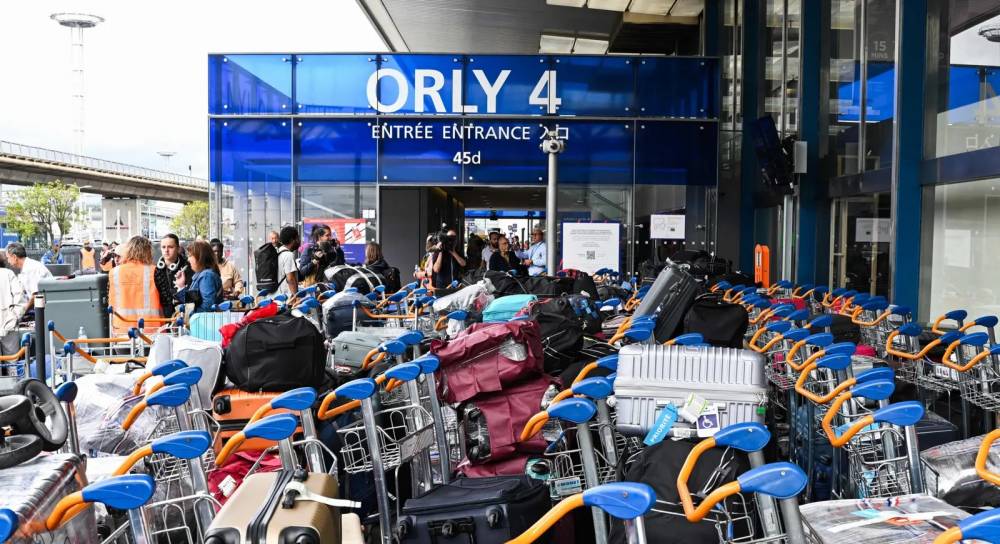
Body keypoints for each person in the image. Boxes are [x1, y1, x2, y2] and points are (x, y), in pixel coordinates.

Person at [108, 236, 162, 334]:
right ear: (147, 251)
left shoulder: (115, 272)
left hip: (121, 331)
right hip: (150, 332)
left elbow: (111, 302)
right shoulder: (155, 271)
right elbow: (164, 301)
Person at [175, 240, 222, 314]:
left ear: (200, 257)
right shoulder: (202, 274)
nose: (188, 259)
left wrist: (190, 315)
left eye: (190, 256)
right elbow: (191, 300)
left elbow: (208, 306)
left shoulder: (206, 276)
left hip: (203, 323)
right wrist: (181, 286)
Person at [155, 234, 193, 317]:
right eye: (163, 247)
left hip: (182, 314)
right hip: (160, 315)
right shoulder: (155, 269)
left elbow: (192, 297)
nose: (166, 250)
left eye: (170, 247)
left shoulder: (188, 267)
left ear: (178, 248)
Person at [0, 255, 27, 357]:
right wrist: (14, 317)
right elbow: (20, 298)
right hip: (9, 324)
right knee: (12, 363)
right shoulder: (8, 273)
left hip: (8, 322)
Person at [277, 226, 301, 297]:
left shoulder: (278, 251)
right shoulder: (288, 255)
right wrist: (295, 297)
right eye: (297, 238)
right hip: (285, 298)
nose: (299, 241)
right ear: (292, 240)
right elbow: (290, 279)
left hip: (276, 295)